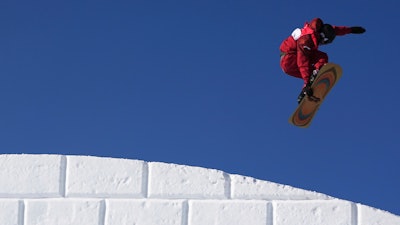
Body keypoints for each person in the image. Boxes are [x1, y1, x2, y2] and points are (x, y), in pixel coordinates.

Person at [279, 18, 366, 103]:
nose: (322, 44)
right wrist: (307, 82)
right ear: (323, 37)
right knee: (310, 68)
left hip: (294, 55)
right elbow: (302, 62)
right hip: (289, 61)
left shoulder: (317, 29)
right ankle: (308, 85)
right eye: (324, 42)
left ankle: (314, 76)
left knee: (322, 57)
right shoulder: (306, 40)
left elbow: (335, 30)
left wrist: (351, 30)